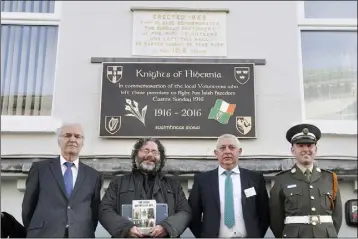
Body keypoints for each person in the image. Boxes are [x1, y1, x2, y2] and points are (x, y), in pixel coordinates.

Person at [21, 123, 103, 238]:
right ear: (59, 141)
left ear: (82, 142)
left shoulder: (93, 176)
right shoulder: (40, 169)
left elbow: (94, 212)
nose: (72, 139)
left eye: (77, 136)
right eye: (67, 135)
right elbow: (28, 207)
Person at [99, 138, 192, 238]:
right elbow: (105, 210)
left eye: (155, 152)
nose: (150, 155)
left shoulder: (174, 185)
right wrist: (126, 228)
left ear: (161, 158)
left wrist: (167, 227)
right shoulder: (118, 183)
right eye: (146, 151)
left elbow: (185, 212)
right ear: (136, 155)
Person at [188, 134, 270, 238]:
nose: (227, 151)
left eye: (232, 147)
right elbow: (193, 214)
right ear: (216, 153)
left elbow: (264, 213)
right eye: (222, 148)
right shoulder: (202, 180)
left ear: (239, 152)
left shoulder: (255, 179)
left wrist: (256, 234)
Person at [269, 123, 342, 238]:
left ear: (315, 149)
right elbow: (275, 220)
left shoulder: (330, 178)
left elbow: (337, 217)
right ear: (293, 150)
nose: (305, 149)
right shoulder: (281, 180)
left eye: (309, 145)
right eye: (300, 145)